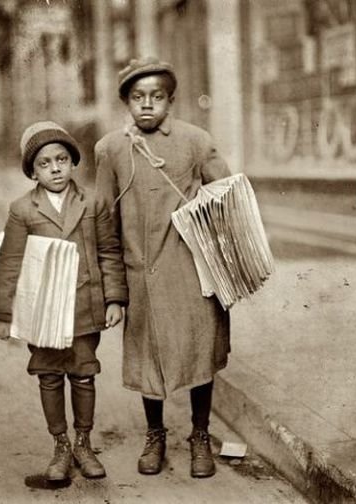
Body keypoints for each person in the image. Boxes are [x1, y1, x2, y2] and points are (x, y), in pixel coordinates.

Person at [94, 57, 231, 478]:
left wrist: (226, 260)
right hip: (141, 277)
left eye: (157, 97)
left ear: (171, 100)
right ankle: (155, 434)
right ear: (126, 103)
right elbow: (104, 222)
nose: (147, 106)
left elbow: (227, 198)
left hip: (192, 274)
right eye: (138, 98)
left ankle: (200, 435)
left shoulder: (195, 141)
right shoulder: (111, 149)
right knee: (147, 360)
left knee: (198, 355)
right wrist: (114, 291)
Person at [0, 121, 128, 481]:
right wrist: (1, 314)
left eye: (61, 159)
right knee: (49, 376)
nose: (54, 169)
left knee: (83, 375)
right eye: (45, 163)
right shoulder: (23, 210)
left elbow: (110, 251)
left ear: (73, 162)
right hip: (43, 311)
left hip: (84, 306)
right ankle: (61, 446)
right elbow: (9, 262)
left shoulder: (93, 201)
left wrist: (114, 299)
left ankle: (83, 442)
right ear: (32, 171)